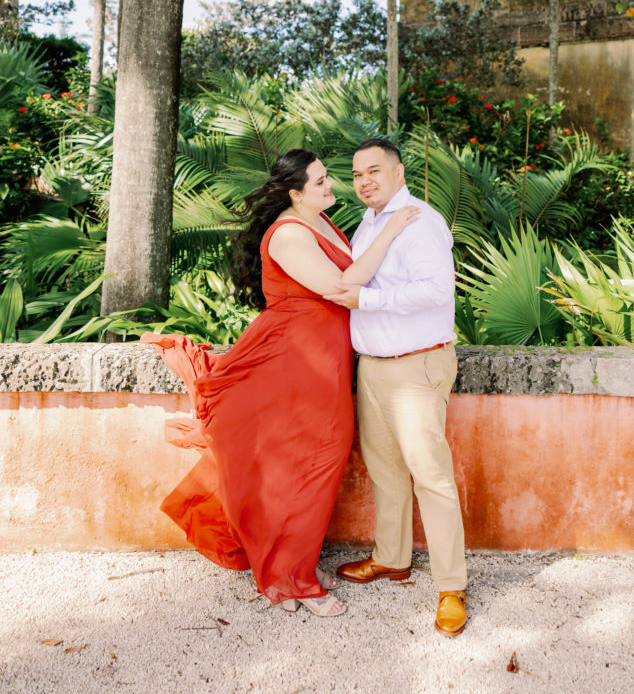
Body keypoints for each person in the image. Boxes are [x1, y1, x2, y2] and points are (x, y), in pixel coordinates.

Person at [143, 148, 418, 618]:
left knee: (317, 462)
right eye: (321, 182)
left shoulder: (320, 223)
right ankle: (292, 580)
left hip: (321, 360)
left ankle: (293, 567)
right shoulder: (289, 234)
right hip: (294, 363)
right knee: (306, 463)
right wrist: (392, 228)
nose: (333, 187)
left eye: (329, 177)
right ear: (296, 193)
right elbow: (340, 286)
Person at [325, 138, 468, 637]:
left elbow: (437, 290)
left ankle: (451, 587)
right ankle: (392, 559)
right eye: (358, 174)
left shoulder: (419, 220)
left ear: (399, 172)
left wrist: (368, 299)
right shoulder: (369, 223)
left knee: (430, 475)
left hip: (417, 366)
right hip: (375, 367)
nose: (364, 180)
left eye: (375, 171)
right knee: (385, 470)